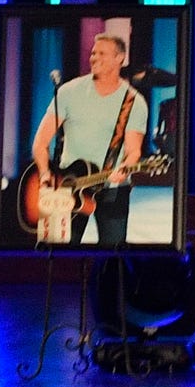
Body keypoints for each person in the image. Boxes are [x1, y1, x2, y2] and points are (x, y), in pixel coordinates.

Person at [29, 25, 149, 246]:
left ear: (119, 58)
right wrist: (46, 173)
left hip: (112, 189)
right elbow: (40, 143)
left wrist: (123, 169)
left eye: (101, 53)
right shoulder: (68, 92)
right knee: (58, 253)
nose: (94, 57)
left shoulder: (134, 102)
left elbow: (133, 151)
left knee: (112, 256)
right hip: (67, 187)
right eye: (93, 52)